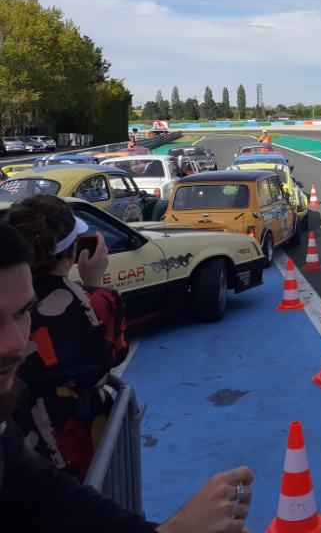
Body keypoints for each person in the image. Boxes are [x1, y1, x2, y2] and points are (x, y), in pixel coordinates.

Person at [0, 223, 255, 532]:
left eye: (22, 312)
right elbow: (113, 351)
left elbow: (50, 498)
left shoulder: (8, 427)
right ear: (73, 251)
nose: (17, 342)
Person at [7, 195, 126, 481]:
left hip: (16, 444)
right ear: (73, 251)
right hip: (79, 445)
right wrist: (93, 285)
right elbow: (114, 353)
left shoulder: (8, 305)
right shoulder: (101, 301)